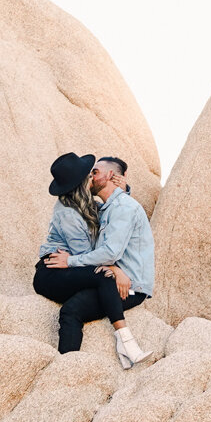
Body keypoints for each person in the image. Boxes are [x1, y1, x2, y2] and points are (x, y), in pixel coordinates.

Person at [31, 152, 155, 367]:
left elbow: (108, 247)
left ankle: (121, 344)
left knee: (90, 290)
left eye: (94, 172)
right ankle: (71, 366)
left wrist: (123, 192)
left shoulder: (113, 207)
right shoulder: (75, 211)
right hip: (56, 268)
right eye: (88, 174)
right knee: (88, 292)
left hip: (130, 286)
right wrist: (115, 270)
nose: (91, 176)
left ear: (108, 176)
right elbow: (94, 254)